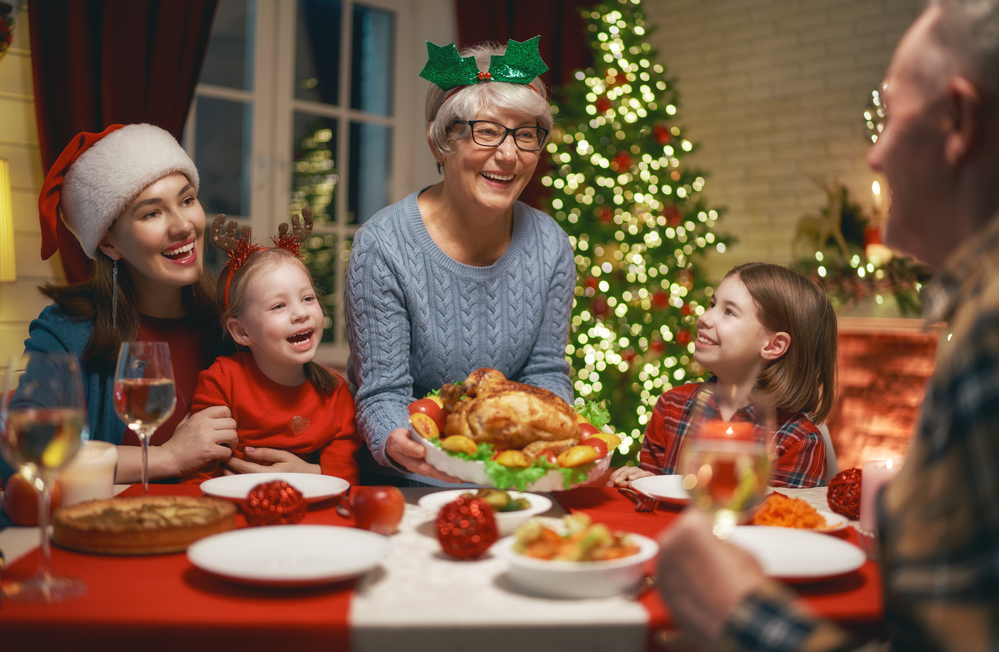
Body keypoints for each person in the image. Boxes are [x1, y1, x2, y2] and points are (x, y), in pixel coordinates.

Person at [656, 1, 999, 650]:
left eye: (888, 115)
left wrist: (736, 613)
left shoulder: (990, 332)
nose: (873, 157)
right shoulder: (973, 312)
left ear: (958, 121)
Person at [344, 37, 575, 486]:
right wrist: (401, 443)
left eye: (525, 134)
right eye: (486, 131)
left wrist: (554, 449)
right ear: (439, 143)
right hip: (410, 482)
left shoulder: (551, 245)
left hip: (515, 478)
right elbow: (383, 394)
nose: (509, 154)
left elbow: (545, 373)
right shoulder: (383, 246)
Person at [0, 124, 240, 493]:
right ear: (109, 243)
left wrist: (305, 467)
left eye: (187, 200)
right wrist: (167, 457)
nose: (183, 226)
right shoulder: (68, 332)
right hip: (111, 535)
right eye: (151, 213)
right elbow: (24, 448)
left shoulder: (231, 320)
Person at [611, 263, 835, 489]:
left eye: (729, 312)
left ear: (774, 345)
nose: (704, 318)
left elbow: (775, 518)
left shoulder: (797, 441)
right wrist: (639, 483)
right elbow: (650, 506)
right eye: (712, 304)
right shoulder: (671, 406)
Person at [181, 214, 361, 485]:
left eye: (308, 298)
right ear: (242, 332)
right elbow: (197, 469)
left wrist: (310, 474)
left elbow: (347, 476)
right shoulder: (221, 381)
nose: (300, 313)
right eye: (278, 306)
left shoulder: (335, 392)